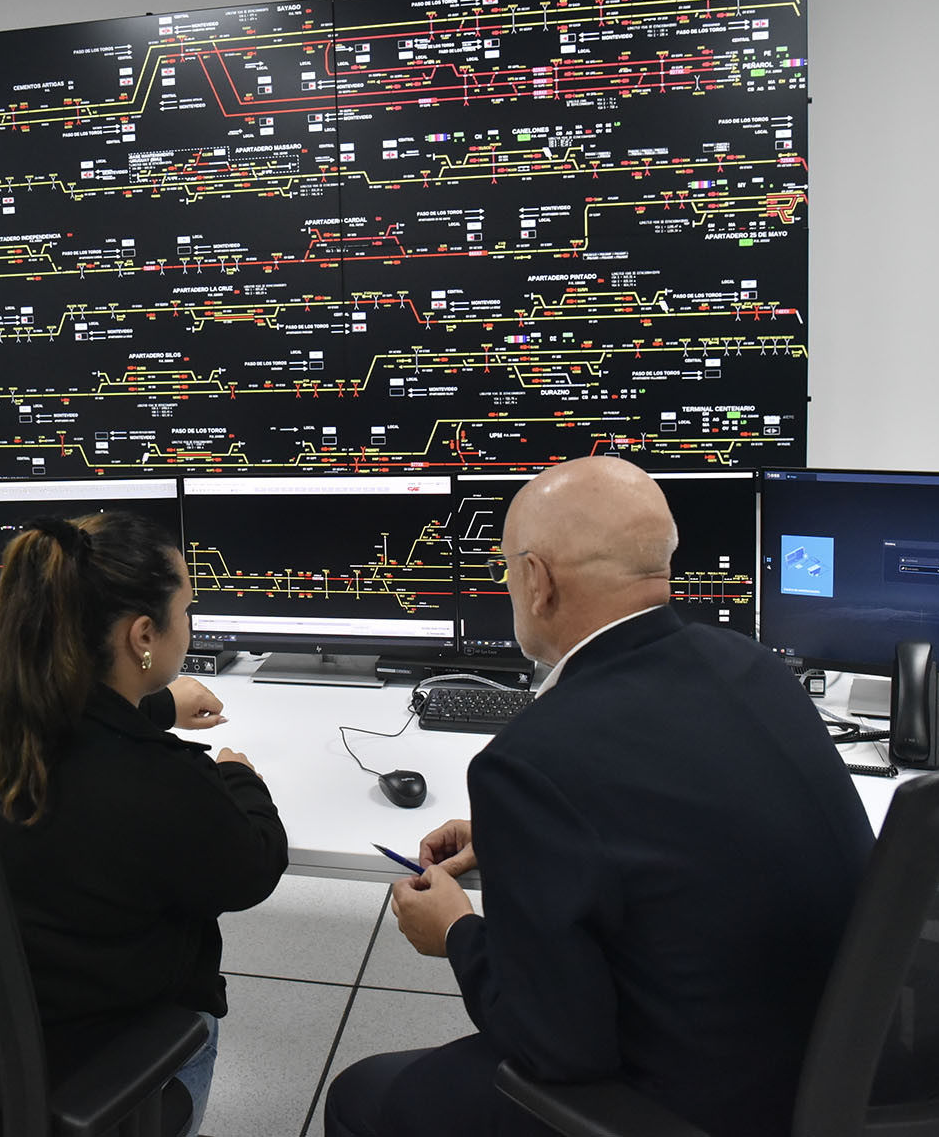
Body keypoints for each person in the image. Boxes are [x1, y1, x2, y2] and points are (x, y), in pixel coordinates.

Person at [324, 458, 875, 1137]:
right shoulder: (752, 664)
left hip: (697, 1104)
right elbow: (687, 820)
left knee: (361, 1096)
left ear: (538, 580)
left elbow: (558, 1048)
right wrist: (519, 839)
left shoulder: (529, 760)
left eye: (506, 569)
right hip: (840, 1060)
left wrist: (457, 933)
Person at [0, 510, 287, 1133]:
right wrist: (238, 775)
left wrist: (156, 704)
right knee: (198, 1021)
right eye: (187, 610)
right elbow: (256, 865)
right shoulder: (160, 779)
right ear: (143, 634)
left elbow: (74, 722)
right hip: (80, 1079)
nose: (190, 625)